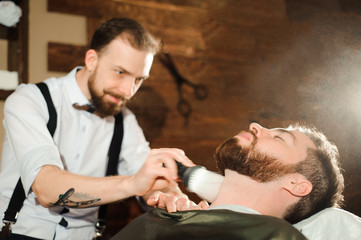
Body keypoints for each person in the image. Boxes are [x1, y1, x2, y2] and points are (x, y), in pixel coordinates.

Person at [0, 17, 203, 240]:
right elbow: (47, 189)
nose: (128, 91)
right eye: (120, 72)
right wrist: (133, 183)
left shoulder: (125, 121)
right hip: (19, 232)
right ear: (91, 60)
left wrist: (170, 195)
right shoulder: (29, 100)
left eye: (138, 80)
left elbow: (149, 179)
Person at [111, 122, 345, 240]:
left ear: (296, 185)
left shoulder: (276, 236)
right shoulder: (168, 215)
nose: (255, 126)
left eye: (279, 137)